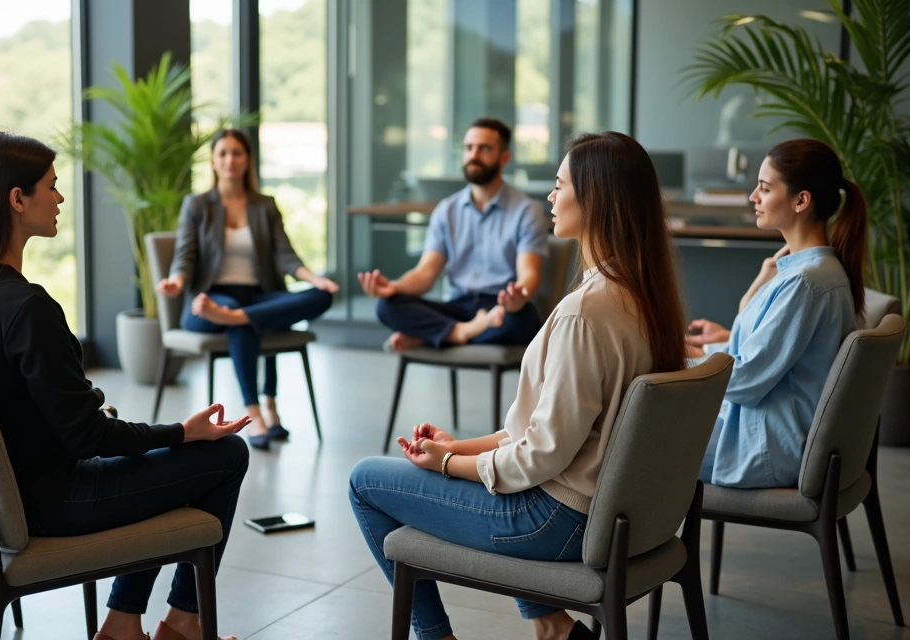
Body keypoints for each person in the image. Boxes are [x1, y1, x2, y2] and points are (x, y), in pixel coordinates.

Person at [349, 131, 688, 640]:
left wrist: (448, 465)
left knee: (365, 481)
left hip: (557, 521)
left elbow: (537, 458)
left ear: (595, 200)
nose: (550, 196)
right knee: (484, 471)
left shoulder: (583, 314)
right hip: (614, 512)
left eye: (560, 185)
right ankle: (555, 629)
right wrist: (456, 449)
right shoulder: (644, 296)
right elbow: (544, 434)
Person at [0, 132, 249, 640]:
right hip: (49, 503)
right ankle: (182, 624)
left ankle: (122, 626)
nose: (60, 197)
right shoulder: (26, 307)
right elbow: (89, 438)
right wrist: (182, 432)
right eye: (51, 186)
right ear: (17, 199)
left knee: (154, 457)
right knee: (225, 455)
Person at [688, 138, 866, 489]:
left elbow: (746, 380)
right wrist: (761, 282)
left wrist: (680, 362)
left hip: (765, 445)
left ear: (801, 200)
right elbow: (757, 355)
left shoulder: (805, 283)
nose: (753, 197)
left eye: (765, 188)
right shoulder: (809, 272)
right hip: (768, 430)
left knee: (626, 437)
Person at [157, 128, 336, 450]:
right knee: (241, 319)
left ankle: (240, 322)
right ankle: (259, 410)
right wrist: (177, 281)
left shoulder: (264, 205)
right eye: (223, 153)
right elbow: (186, 254)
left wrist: (314, 279)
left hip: (257, 295)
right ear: (213, 161)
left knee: (319, 297)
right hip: (211, 299)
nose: (230, 160)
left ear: (248, 159)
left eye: (237, 153)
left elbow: (285, 254)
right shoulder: (197, 204)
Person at [357, 117, 550, 352]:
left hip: (500, 307)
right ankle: (462, 331)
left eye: (484, 148)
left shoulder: (527, 211)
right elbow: (425, 273)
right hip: (456, 307)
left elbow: (529, 274)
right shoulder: (446, 210)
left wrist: (518, 297)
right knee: (386, 306)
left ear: (504, 158)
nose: (473, 155)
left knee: (524, 320)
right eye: (469, 148)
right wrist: (393, 287)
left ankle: (432, 336)